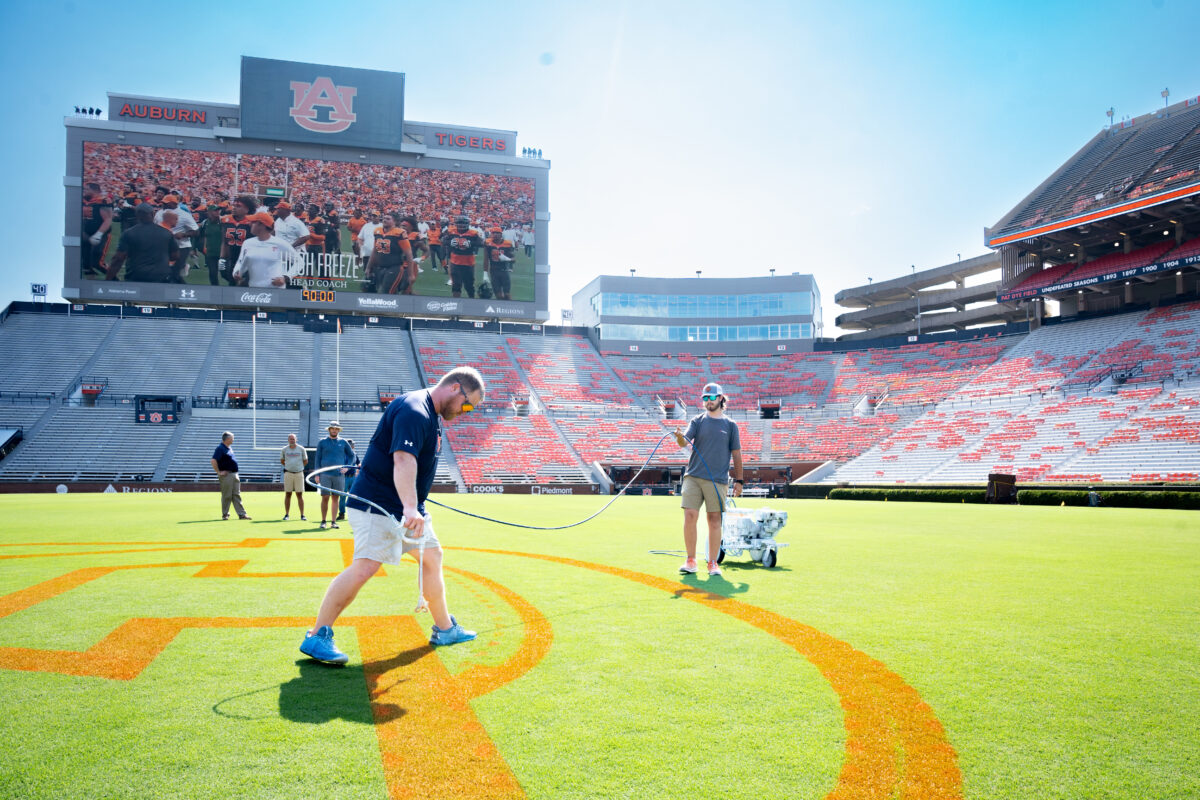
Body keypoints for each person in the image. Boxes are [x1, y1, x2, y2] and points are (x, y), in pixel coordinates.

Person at [299, 368, 485, 664]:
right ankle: (317, 635)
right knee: (365, 568)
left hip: (409, 510)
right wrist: (411, 507)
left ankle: (445, 628)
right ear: (455, 388)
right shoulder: (414, 410)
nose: (466, 412)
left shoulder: (430, 415)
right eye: (467, 405)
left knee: (433, 557)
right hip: (380, 506)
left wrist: (414, 506)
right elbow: (403, 459)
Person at [673, 382, 743, 577]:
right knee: (690, 516)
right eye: (705, 398)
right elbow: (683, 442)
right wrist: (679, 437)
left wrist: (740, 480)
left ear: (721, 398)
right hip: (693, 477)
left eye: (711, 397)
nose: (708, 401)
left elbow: (736, 454)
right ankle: (691, 560)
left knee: (714, 520)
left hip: (718, 479)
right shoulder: (697, 421)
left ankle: (713, 563)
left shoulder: (730, 425)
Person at [105, 203, 179, 282]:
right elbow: (175, 256)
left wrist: (108, 279)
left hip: (136, 276)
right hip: (161, 277)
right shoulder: (166, 233)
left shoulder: (129, 233)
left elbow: (118, 258)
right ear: (153, 214)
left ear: (137, 215)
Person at [231, 213, 300, 288]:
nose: (249, 224)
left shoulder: (280, 244)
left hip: (275, 291)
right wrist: (236, 272)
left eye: (253, 222)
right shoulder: (247, 243)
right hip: (253, 290)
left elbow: (299, 262)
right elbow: (241, 261)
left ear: (262, 225)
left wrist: (285, 277)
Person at [313, 421, 355, 529]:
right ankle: (323, 521)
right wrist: (317, 473)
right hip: (325, 474)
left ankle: (333, 521)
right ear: (329, 429)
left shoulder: (343, 442)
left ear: (338, 430)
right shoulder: (322, 442)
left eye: (336, 429)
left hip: (338, 474)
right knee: (325, 497)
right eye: (332, 428)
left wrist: (347, 467)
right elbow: (317, 458)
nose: (334, 430)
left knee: (335, 498)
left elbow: (352, 456)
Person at [365, 213, 413, 295]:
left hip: (394, 267)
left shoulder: (399, 233)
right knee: (389, 292)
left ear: (394, 221)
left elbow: (409, 254)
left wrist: (410, 274)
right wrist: (368, 267)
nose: (384, 220)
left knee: (386, 292)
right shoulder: (377, 231)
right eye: (384, 218)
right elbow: (375, 251)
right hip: (380, 267)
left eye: (388, 219)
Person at [155, 195, 198, 281]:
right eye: (163, 203)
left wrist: (183, 234)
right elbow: (154, 227)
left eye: (166, 203)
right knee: (166, 272)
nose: (164, 205)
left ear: (173, 204)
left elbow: (196, 231)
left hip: (181, 246)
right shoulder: (159, 213)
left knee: (174, 272)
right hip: (164, 246)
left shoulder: (184, 215)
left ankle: (184, 292)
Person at [211, 431, 251, 520]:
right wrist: (219, 472)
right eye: (232, 438)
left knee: (236, 494)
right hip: (227, 475)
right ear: (228, 439)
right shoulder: (220, 448)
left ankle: (242, 514)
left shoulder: (229, 448)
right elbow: (213, 460)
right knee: (227, 495)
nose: (233, 440)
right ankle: (225, 514)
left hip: (234, 474)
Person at [218, 196, 256, 285]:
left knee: (245, 283)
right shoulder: (226, 220)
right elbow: (225, 241)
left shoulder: (253, 222)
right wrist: (222, 258)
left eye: (238, 206)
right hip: (231, 256)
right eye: (234, 205)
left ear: (247, 209)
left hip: (247, 257)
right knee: (227, 277)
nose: (234, 208)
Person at [445, 215, 483, 298]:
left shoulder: (473, 233)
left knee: (469, 285)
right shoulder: (451, 232)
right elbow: (443, 240)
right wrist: (449, 242)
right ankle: (456, 303)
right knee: (456, 285)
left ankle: (471, 301)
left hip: (468, 263)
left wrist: (471, 243)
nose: (461, 225)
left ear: (467, 224)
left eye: (463, 223)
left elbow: (481, 243)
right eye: (459, 223)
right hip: (455, 263)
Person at [81, 182, 114, 277]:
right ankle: (90, 288)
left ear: (94, 190)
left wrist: (98, 234)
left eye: (87, 189)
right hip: (86, 234)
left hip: (100, 234)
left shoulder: (102, 200)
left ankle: (115, 280)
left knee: (97, 262)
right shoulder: (84, 200)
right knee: (86, 266)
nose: (84, 191)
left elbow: (108, 219)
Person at [483, 227, 517, 301]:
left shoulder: (507, 244)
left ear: (501, 234)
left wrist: (507, 259)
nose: (495, 234)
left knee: (507, 295)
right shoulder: (488, 243)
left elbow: (514, 260)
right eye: (493, 233)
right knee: (498, 295)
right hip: (494, 271)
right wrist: (485, 274)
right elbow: (486, 259)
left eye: (497, 233)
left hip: (504, 271)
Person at [280, 433, 308, 521]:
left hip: (299, 473)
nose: (292, 440)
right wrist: (289, 466)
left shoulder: (301, 449)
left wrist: (298, 467)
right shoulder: (284, 449)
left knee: (299, 494)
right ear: (288, 440)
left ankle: (302, 515)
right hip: (288, 473)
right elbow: (282, 460)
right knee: (288, 493)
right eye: (290, 439)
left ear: (296, 439)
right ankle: (287, 514)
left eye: (293, 439)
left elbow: (305, 461)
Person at [198, 204, 225, 285]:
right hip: (210, 253)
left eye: (218, 210)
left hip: (223, 253)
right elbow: (199, 235)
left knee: (225, 274)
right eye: (215, 210)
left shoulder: (223, 222)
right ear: (209, 212)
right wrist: (199, 247)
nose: (218, 212)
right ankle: (215, 291)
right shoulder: (205, 223)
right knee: (213, 273)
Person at [338, 438, 360, 521]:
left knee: (354, 496)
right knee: (342, 496)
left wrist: (358, 471)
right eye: (352, 444)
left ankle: (354, 514)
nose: (353, 446)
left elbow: (359, 463)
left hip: (352, 477)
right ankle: (342, 514)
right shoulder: (342, 454)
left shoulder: (354, 454)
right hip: (344, 478)